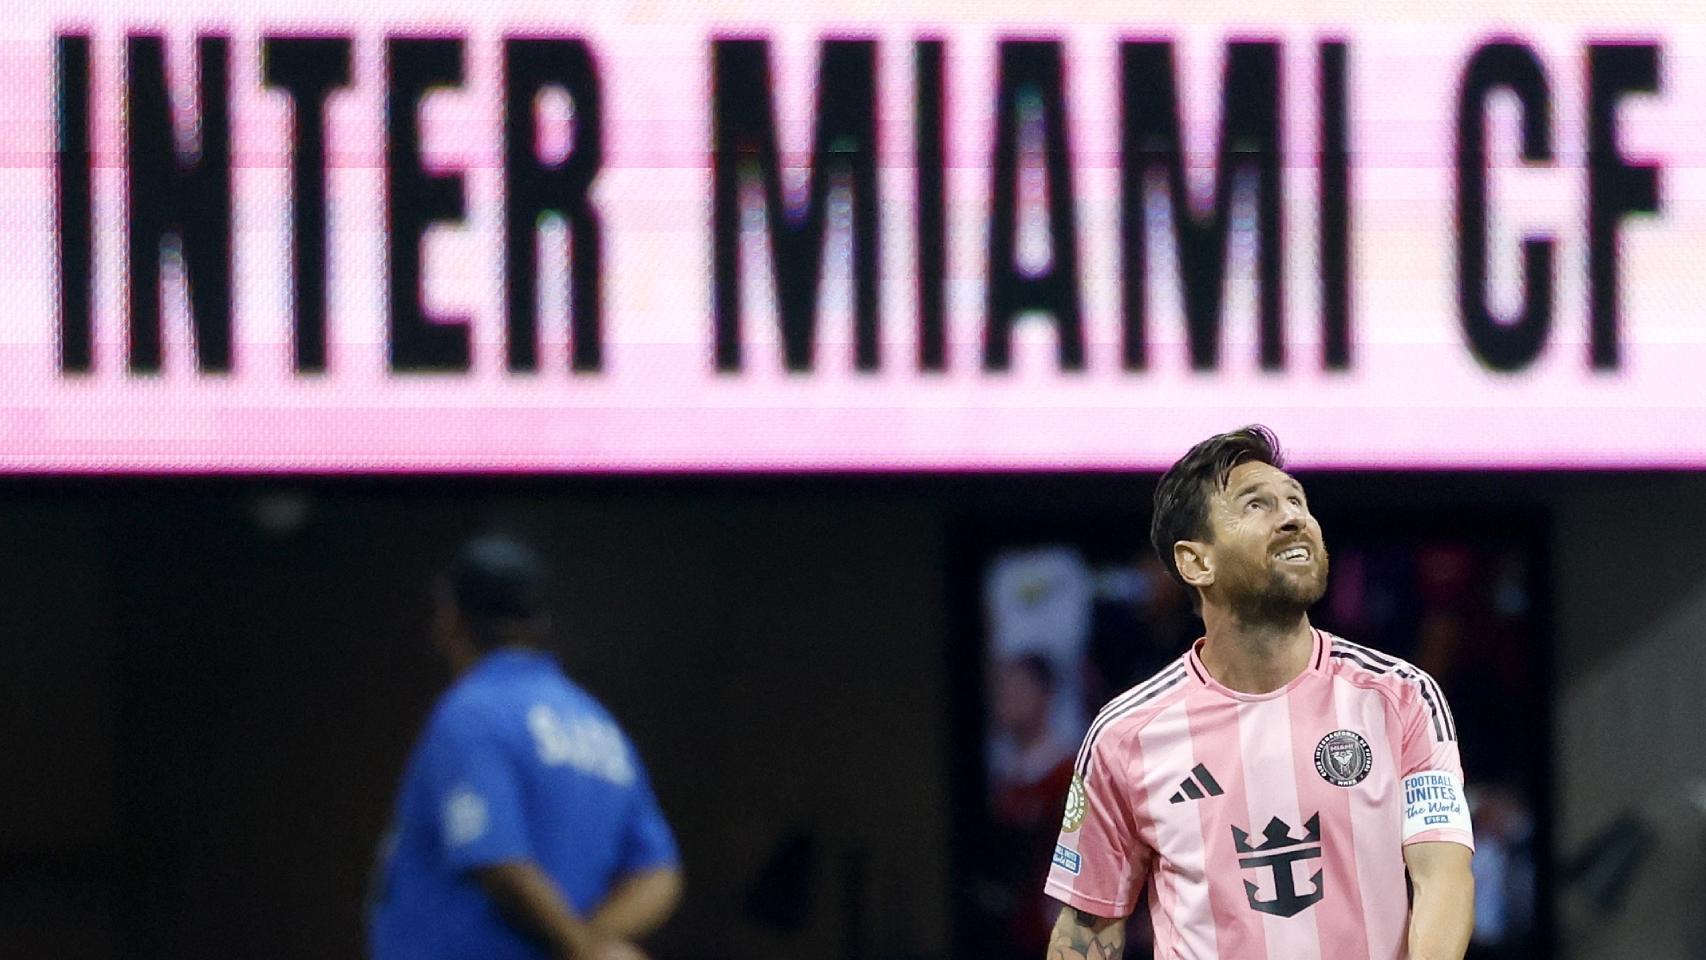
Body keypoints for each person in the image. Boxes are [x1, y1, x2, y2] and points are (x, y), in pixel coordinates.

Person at [1044, 426, 1475, 960]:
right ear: (1196, 562)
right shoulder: (1124, 736)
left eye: (1297, 501)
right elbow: (1088, 928)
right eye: (1257, 505)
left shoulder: (1401, 697)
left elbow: (1445, 878)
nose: (1294, 517)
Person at [369, 536, 683, 960]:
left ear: (451, 617)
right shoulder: (596, 724)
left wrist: (579, 951)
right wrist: (591, 943)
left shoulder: (473, 713)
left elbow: (501, 864)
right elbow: (659, 875)